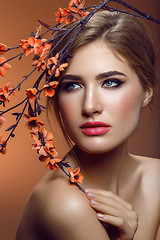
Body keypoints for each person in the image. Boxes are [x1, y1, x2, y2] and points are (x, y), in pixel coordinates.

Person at [16, 10, 160, 239]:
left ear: (146, 92)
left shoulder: (155, 178)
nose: (90, 106)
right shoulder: (64, 203)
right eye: (72, 86)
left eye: (111, 82)